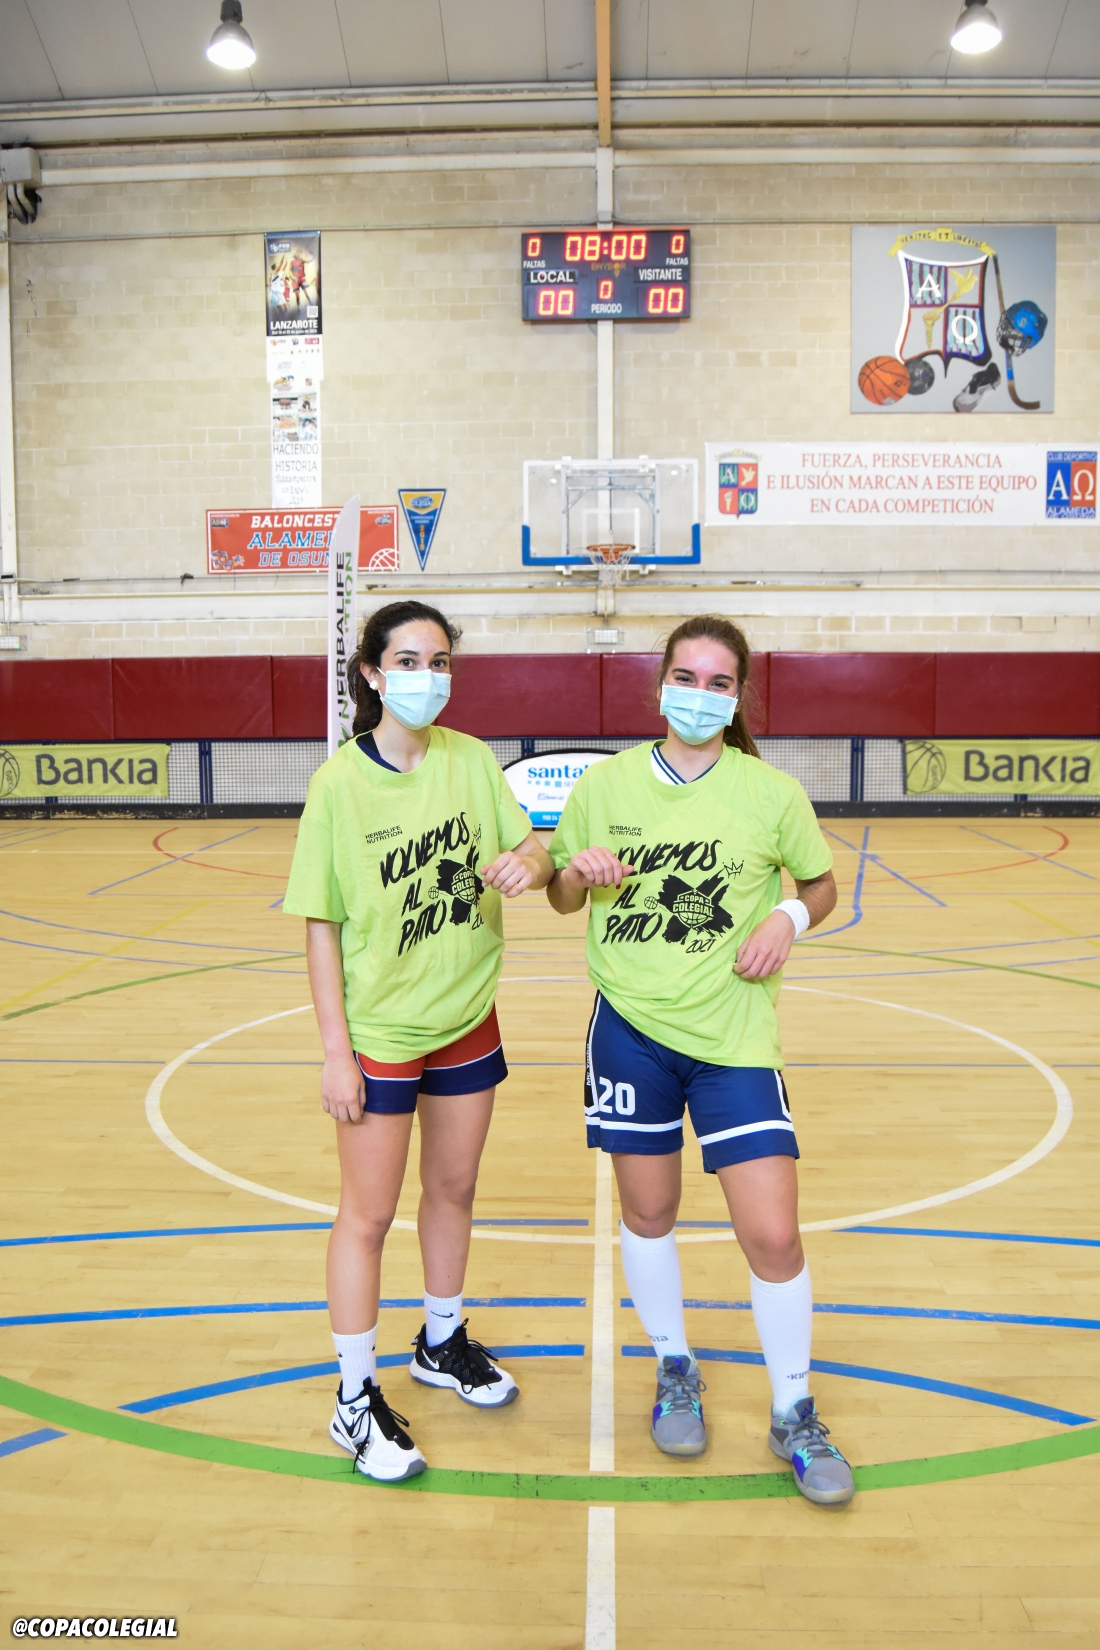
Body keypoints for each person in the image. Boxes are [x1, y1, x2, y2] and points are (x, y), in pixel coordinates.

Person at [546, 615, 854, 1507]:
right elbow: (564, 894)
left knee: (773, 1235)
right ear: (659, 684)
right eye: (686, 675)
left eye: (719, 682)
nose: (699, 693)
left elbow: (821, 883)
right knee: (650, 1215)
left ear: (738, 695)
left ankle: (794, 1410)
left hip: (735, 1039)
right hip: (631, 1030)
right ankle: (674, 1365)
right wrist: (580, 874)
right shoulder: (603, 786)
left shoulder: (771, 793)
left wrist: (787, 918)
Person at [283, 600, 553, 1481]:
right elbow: (320, 924)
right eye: (408, 660)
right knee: (366, 1215)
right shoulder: (338, 786)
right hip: (381, 1032)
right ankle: (353, 1401)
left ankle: (441, 1342)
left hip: (467, 1015)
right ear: (370, 673)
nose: (426, 677)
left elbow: (533, 855)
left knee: (455, 1186)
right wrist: (334, 1049)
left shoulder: (473, 761)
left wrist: (531, 863)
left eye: (440, 662)